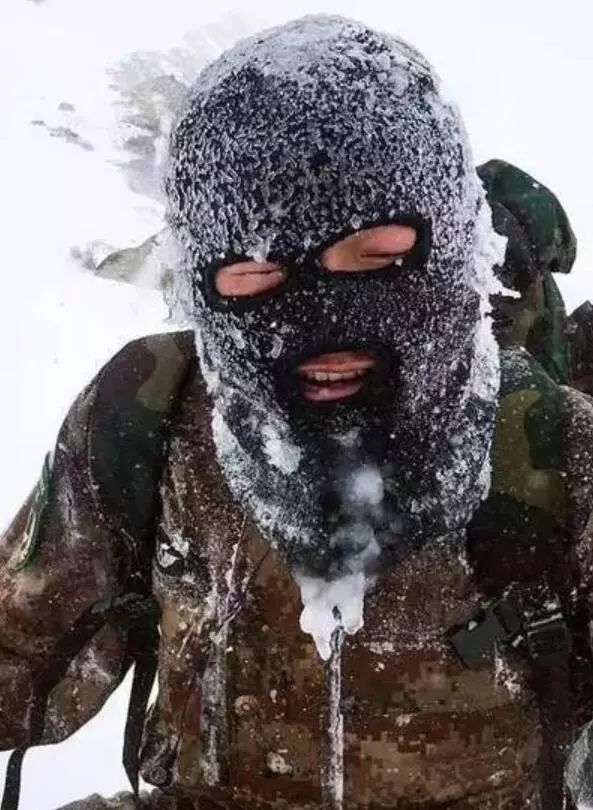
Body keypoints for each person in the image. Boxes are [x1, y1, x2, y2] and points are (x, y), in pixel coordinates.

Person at [1, 15, 593, 810]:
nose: (322, 319)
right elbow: (16, 654)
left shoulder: (557, 452)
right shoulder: (147, 417)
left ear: (449, 244)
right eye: (252, 270)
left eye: (377, 254)